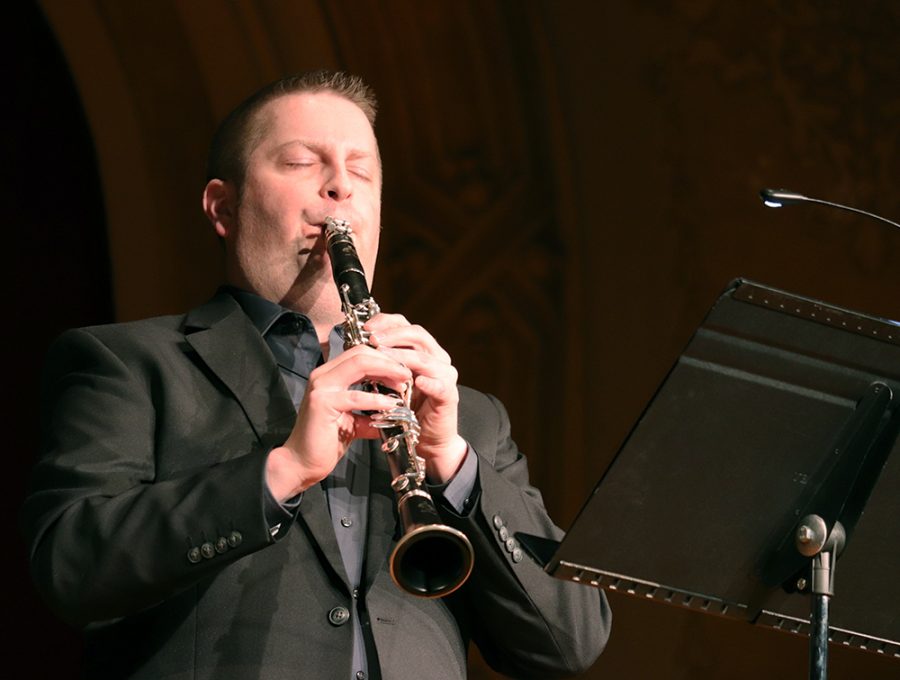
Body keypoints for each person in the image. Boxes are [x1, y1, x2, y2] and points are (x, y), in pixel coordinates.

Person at [21, 70, 611, 680]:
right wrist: (282, 471)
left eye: (361, 172)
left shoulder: (473, 418)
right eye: (303, 162)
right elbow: (70, 567)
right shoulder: (130, 363)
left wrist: (454, 466)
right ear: (224, 206)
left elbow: (568, 644)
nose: (339, 188)